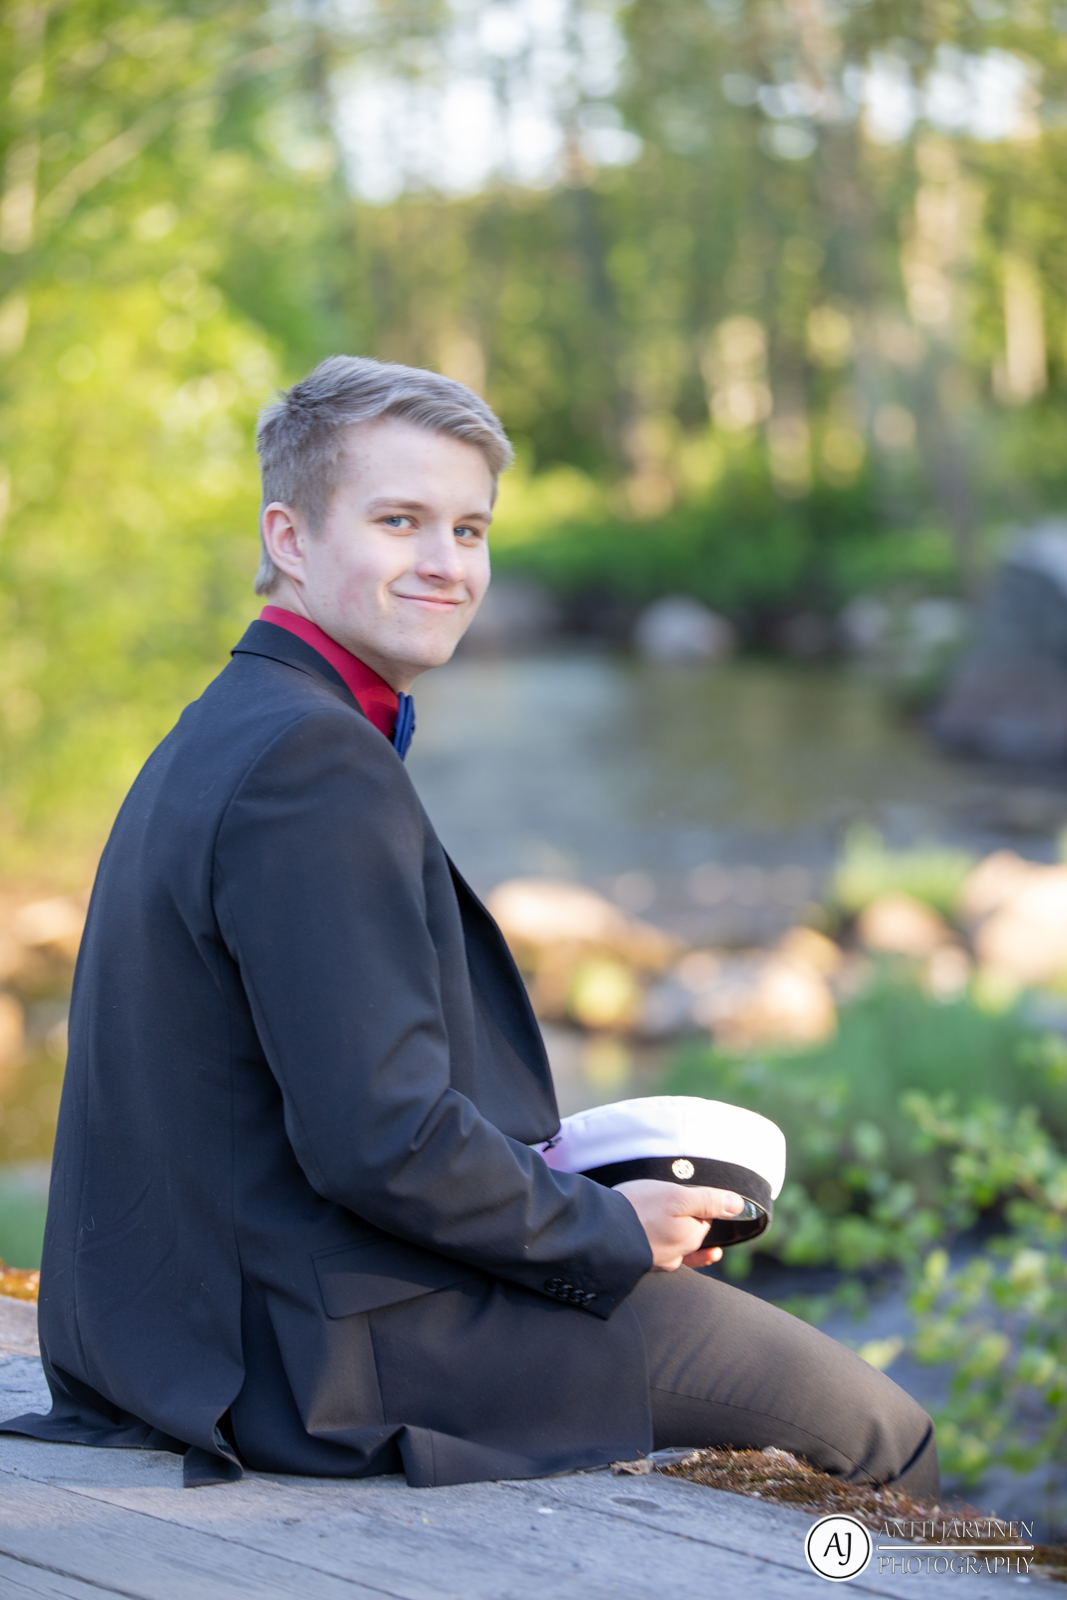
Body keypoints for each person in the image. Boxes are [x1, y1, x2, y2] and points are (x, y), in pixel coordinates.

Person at [2, 357, 938, 1495]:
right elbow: (379, 1138)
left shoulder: (234, 720)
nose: (446, 563)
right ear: (289, 538)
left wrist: (566, 1178)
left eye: (469, 529)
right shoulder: (312, 763)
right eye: (399, 521)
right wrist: (608, 1230)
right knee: (879, 1430)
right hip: (304, 1356)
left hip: (186, 1327)